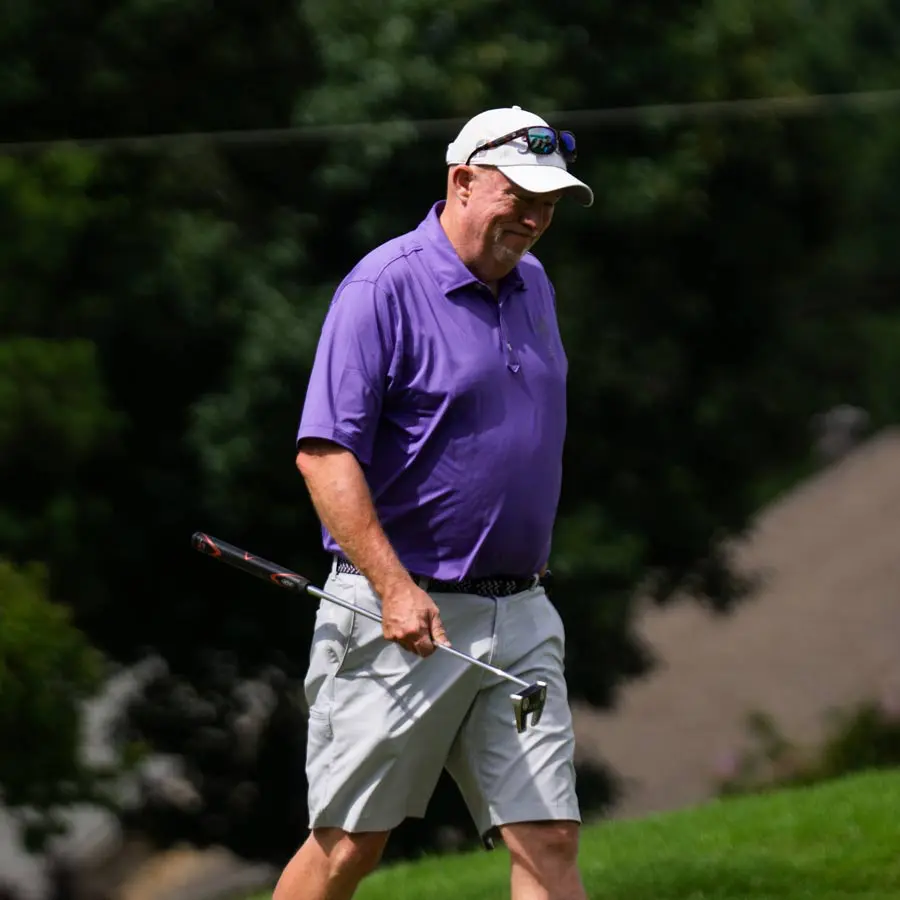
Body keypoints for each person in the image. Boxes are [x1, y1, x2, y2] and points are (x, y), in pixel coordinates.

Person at [278, 105, 594, 900]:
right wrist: (392, 587)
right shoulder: (381, 287)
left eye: (548, 203)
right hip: (406, 617)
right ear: (462, 181)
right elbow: (324, 454)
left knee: (548, 838)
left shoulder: (534, 285)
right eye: (518, 195)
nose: (533, 218)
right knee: (348, 846)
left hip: (521, 613)